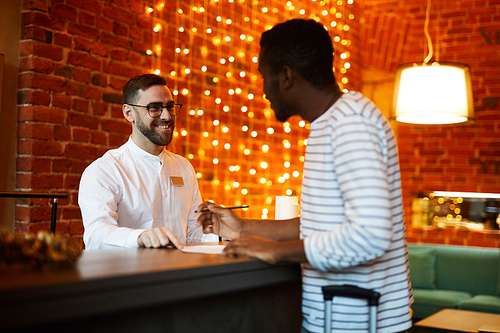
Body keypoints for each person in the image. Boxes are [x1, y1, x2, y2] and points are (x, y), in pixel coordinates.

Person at [197, 19, 413, 333]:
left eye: (264, 76)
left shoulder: (350, 122)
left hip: (360, 325)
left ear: (285, 76)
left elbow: (371, 233)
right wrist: (243, 227)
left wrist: (276, 251)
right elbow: (329, 224)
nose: (263, 89)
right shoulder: (333, 120)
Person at [79, 74, 218, 250]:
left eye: (169, 106)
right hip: (132, 276)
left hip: (181, 273)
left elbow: (191, 233)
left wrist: (224, 233)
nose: (167, 116)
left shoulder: (184, 167)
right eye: (154, 108)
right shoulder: (105, 170)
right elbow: (95, 237)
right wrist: (140, 237)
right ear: (129, 113)